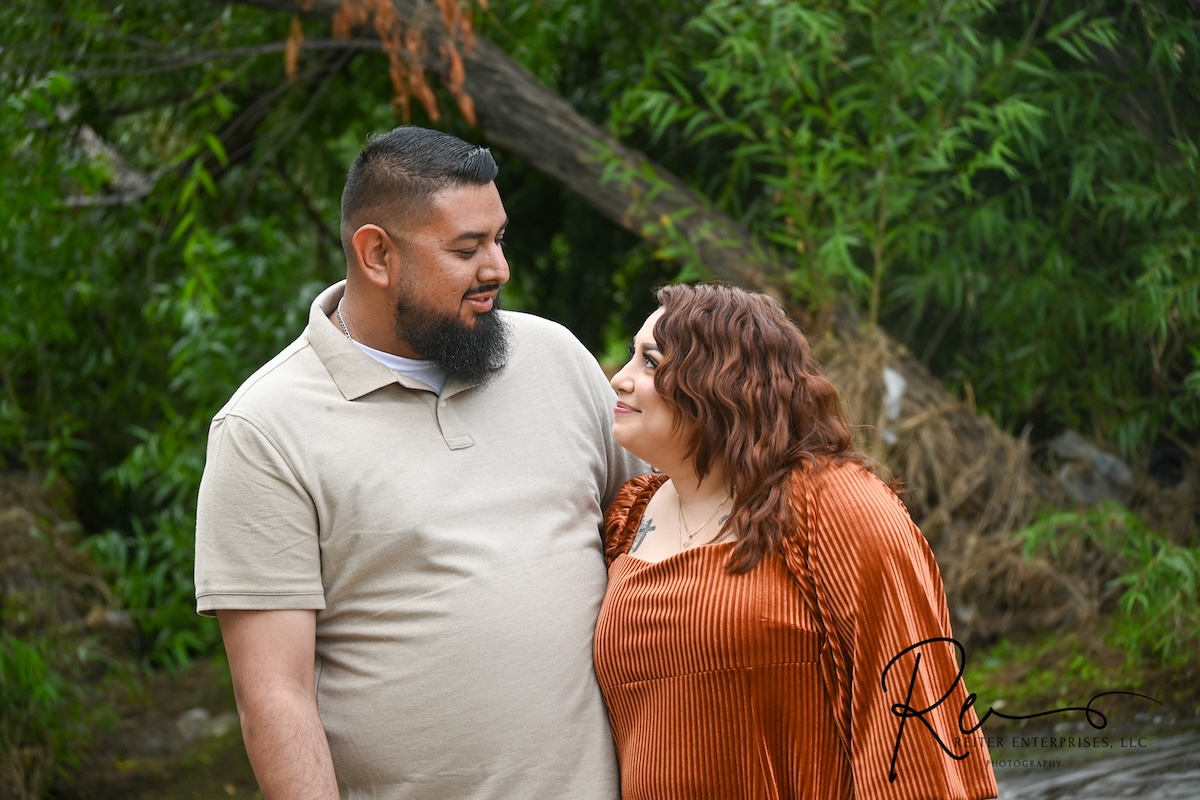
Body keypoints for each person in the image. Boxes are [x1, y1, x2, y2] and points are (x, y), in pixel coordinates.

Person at [194, 125, 644, 800]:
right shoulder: (265, 429)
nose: (498, 269)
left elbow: (668, 532)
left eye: (500, 239)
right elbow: (274, 696)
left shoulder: (555, 357)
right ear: (377, 254)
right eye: (467, 249)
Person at [594, 282, 998, 799]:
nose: (620, 379)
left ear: (723, 383)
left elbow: (909, 706)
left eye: (650, 362)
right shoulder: (629, 518)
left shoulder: (832, 504)